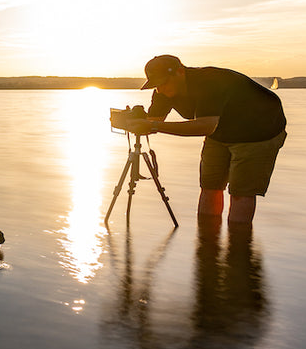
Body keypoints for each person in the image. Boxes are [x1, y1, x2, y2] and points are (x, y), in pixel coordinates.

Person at [122, 54, 287, 225]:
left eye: (163, 83)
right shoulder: (162, 92)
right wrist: (133, 121)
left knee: (240, 192)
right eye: (156, 85)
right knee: (210, 185)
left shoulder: (209, 83)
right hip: (221, 130)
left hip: (259, 129)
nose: (160, 89)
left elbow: (205, 127)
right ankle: (207, 242)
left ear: (179, 72)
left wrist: (153, 127)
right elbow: (155, 121)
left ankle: (238, 245)